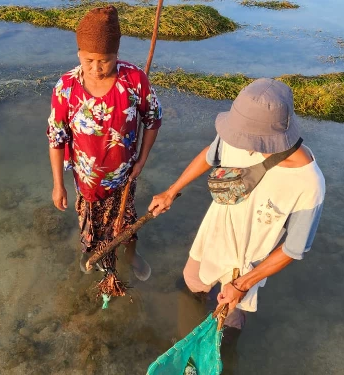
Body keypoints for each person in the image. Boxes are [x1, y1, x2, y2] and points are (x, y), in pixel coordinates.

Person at [149, 78, 325, 341]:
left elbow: (293, 249)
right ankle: (193, 304)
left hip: (244, 266)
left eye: (243, 138)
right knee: (190, 282)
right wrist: (171, 192)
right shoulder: (236, 136)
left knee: (227, 321)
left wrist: (242, 285)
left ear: (268, 138)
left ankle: (227, 347)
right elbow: (210, 154)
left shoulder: (309, 185)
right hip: (212, 235)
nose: (235, 141)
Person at [47, 6, 162, 287]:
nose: (96, 68)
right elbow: (56, 138)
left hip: (124, 178)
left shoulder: (134, 81)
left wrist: (141, 161)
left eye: (105, 60)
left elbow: (153, 120)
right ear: (78, 55)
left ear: (117, 56)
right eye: (89, 60)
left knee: (127, 224)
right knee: (91, 228)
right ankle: (94, 256)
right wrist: (58, 184)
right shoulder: (66, 87)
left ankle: (131, 255)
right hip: (86, 183)